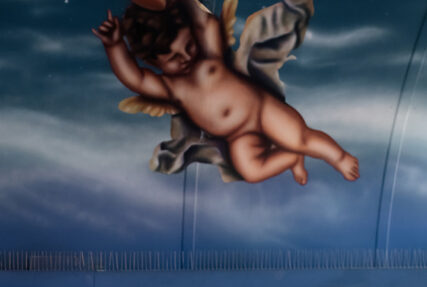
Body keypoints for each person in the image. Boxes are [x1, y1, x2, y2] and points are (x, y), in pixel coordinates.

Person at [93, 0, 359, 185]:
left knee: (300, 137)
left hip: (262, 111)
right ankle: (292, 155)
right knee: (252, 171)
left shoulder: (209, 57)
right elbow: (135, 79)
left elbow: (204, 23)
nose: (185, 56)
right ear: (154, 62)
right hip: (237, 135)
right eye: (172, 57)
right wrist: (115, 46)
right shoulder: (171, 87)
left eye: (187, 46)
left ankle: (338, 157)